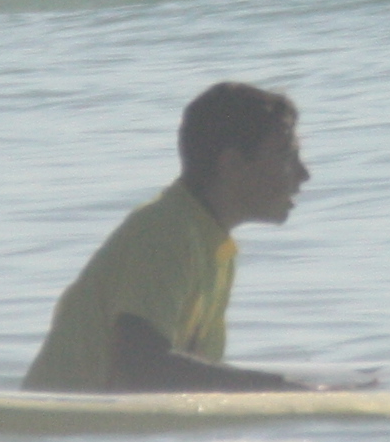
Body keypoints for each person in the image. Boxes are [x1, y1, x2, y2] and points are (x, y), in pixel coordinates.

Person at [23, 84, 315, 393]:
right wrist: (279, 390)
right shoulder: (165, 232)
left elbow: (190, 372)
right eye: (286, 156)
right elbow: (139, 369)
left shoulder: (213, 245)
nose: (303, 174)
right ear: (231, 165)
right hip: (64, 433)